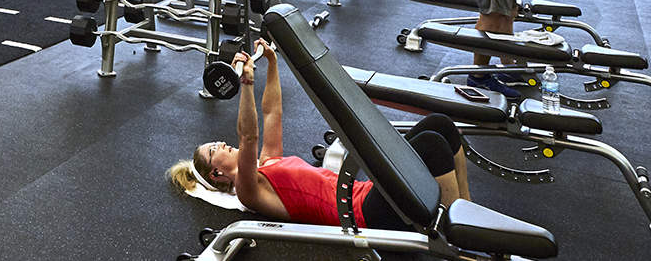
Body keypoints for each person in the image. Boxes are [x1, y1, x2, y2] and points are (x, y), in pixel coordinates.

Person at [169, 40, 472, 228]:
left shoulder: (267, 164)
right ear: (217, 173)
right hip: (364, 215)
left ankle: (467, 216)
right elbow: (248, 137)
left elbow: (273, 113)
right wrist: (246, 85)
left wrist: (271, 63)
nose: (221, 143)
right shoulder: (249, 191)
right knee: (432, 144)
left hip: (367, 192)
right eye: (213, 149)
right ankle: (454, 235)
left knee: (440, 124)